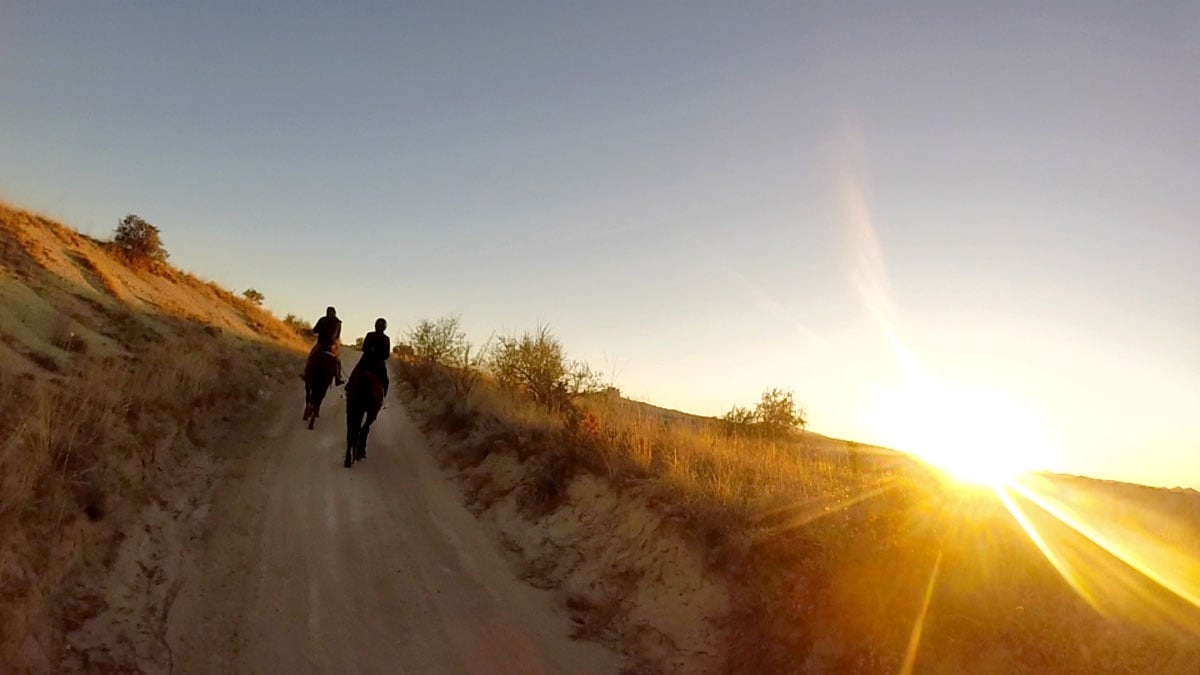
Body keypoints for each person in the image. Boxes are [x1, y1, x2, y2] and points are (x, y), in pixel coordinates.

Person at [352, 317, 391, 395]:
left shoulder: (370, 335)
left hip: (366, 361)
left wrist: (370, 353)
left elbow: (364, 349)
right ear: (384, 327)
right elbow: (386, 355)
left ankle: (348, 388)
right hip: (379, 364)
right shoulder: (386, 338)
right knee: (385, 381)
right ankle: (383, 397)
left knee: (354, 375)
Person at [309, 306, 345, 386]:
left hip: (321, 344)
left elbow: (315, 331)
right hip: (332, 346)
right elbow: (337, 336)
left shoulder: (323, 320)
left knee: (312, 355)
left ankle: (306, 373)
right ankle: (338, 378)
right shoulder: (338, 322)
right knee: (337, 361)